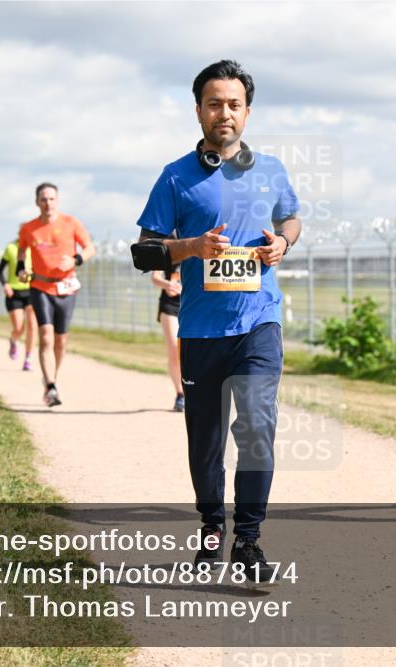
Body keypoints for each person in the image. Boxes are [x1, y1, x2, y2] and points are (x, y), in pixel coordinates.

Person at [134, 60, 300, 581]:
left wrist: (282, 242)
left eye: (233, 104)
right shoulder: (176, 176)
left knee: (256, 426)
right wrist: (191, 248)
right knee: (205, 440)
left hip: (259, 322)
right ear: (199, 110)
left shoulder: (271, 169)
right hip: (202, 330)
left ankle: (248, 540)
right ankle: (211, 528)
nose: (223, 112)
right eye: (213, 103)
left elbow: (291, 217)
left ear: (247, 111)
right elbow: (143, 252)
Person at [17, 183, 96, 407]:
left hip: (66, 287)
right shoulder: (28, 228)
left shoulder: (71, 223)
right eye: (43, 199)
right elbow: (22, 250)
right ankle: (51, 386)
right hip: (40, 287)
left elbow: (90, 248)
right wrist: (21, 269)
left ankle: (51, 377)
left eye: (51, 199)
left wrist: (75, 260)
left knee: (61, 341)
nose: (48, 203)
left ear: (57, 201)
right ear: (37, 202)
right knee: (46, 336)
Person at [0, 238, 37, 371]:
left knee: (32, 326)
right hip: (14, 293)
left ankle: (28, 358)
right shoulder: (11, 248)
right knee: (19, 328)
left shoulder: (35, 248)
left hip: (31, 291)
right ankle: (13, 341)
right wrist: (5, 284)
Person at [151, 262, 183, 411]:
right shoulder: (167, 241)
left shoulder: (201, 240)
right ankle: (180, 394)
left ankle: (195, 390)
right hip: (170, 304)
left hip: (193, 303)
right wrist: (167, 284)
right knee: (175, 349)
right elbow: (155, 277)